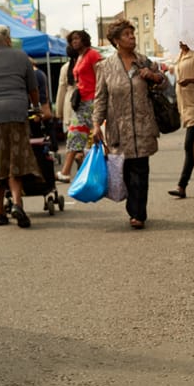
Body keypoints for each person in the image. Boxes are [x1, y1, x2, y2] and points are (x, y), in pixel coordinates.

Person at [92, 17, 163, 229]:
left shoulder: (144, 61)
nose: (132, 38)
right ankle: (135, 208)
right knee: (126, 170)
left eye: (133, 34)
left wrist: (153, 76)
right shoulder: (105, 67)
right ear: (115, 40)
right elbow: (100, 98)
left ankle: (138, 213)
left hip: (143, 124)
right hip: (118, 127)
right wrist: (97, 124)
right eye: (126, 35)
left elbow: (162, 85)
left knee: (141, 170)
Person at [0, 24, 42, 229]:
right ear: (8, 39)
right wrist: (36, 108)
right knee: (15, 160)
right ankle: (17, 204)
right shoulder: (21, 57)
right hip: (15, 113)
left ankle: (0, 212)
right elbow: (33, 88)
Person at [56, 30, 100, 183]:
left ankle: (68, 172)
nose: (75, 41)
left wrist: (99, 99)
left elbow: (100, 77)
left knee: (85, 135)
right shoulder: (79, 57)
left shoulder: (92, 54)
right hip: (81, 103)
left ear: (84, 39)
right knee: (75, 135)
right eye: (72, 39)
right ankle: (67, 172)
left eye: (77, 38)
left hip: (92, 101)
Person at [167, 40, 194, 198]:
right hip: (186, 108)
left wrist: (192, 80)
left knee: (190, 147)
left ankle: (182, 185)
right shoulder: (180, 56)